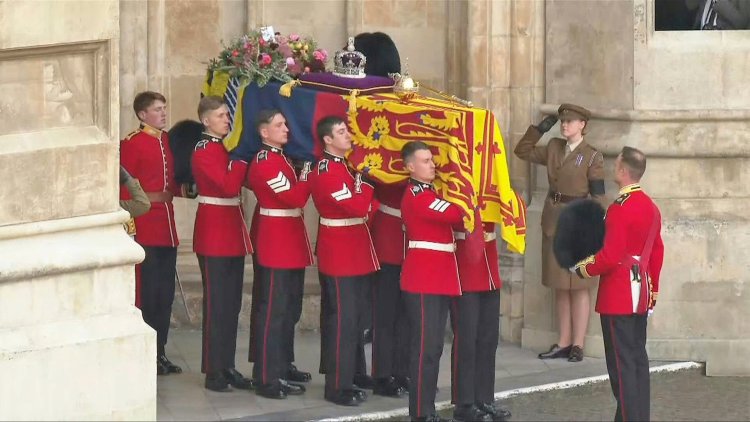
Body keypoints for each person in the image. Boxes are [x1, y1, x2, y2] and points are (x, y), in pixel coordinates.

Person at [573, 146, 664, 422]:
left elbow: (610, 256)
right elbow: (657, 252)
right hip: (641, 292)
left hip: (619, 293)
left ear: (623, 171)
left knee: (621, 368)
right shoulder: (651, 206)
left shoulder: (619, 208)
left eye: (617, 165)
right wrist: (652, 290)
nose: (614, 169)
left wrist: (582, 269)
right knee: (636, 360)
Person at [514, 103, 606, 362]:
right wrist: (539, 130)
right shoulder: (554, 148)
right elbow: (522, 151)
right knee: (560, 286)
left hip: (577, 222)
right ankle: (564, 340)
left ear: (582, 126)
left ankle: (578, 343)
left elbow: (598, 195)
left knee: (579, 286)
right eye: (562, 121)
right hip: (554, 220)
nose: (565, 125)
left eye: (570, 121)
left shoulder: (591, 156)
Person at [309, 115, 379, 406]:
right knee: (342, 321)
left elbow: (364, 208)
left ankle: (352, 374)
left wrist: (362, 189)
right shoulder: (326, 170)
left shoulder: (344, 167)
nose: (348, 135)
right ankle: (337, 385)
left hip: (355, 249)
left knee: (356, 320)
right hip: (339, 253)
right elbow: (357, 205)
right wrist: (366, 184)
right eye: (341, 131)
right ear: (327, 139)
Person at [246, 109, 311, 399]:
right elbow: (294, 197)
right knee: (272, 311)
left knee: (289, 309)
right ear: (264, 132)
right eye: (279, 124)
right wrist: (308, 174)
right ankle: (266, 375)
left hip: (290, 240)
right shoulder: (264, 162)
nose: (286, 128)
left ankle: (283, 365)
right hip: (275, 243)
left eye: (285, 123)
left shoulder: (281, 158)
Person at [120, 91, 185, 375]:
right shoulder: (132, 144)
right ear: (142, 114)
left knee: (164, 295)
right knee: (148, 295)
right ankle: (145, 354)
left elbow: (171, 182)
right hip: (146, 226)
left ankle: (159, 352)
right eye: (157, 109)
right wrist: (130, 224)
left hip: (167, 228)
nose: (163, 113)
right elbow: (125, 188)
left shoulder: (167, 140)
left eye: (164, 108)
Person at [191, 96, 254, 392]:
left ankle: (227, 365)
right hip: (215, 233)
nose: (227, 119)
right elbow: (227, 186)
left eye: (227, 114)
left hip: (229, 232)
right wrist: (240, 159)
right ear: (206, 120)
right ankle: (213, 370)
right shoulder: (205, 150)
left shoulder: (220, 148)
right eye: (221, 115)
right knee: (217, 306)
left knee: (231, 305)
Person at [400, 141, 464, 422]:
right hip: (424, 278)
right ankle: (420, 412)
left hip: (437, 278)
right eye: (425, 160)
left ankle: (427, 408)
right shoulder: (417, 195)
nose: (432, 164)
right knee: (425, 348)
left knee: (434, 347)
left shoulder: (429, 192)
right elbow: (454, 214)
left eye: (431, 159)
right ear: (410, 167)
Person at [450, 218, 510, 422]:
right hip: (466, 262)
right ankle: (464, 402)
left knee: (488, 338)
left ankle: (484, 398)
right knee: (466, 339)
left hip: (489, 264)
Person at [370, 182, 410, 398]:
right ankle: (382, 375)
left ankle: (402, 370)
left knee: (406, 315)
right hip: (389, 239)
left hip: (411, 241)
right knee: (386, 314)